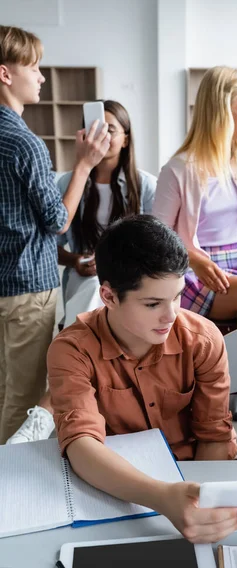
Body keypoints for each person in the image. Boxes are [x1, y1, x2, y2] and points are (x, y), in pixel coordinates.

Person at [47, 214, 237, 544]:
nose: (170, 316)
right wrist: (163, 497)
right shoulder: (71, 350)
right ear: (109, 297)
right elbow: (81, 445)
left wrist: (202, 503)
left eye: (177, 297)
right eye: (153, 303)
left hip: (196, 480)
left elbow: (214, 435)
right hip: (113, 487)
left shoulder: (203, 339)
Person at [153, 66, 237, 459]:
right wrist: (194, 260)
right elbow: (159, 233)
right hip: (197, 272)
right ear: (223, 107)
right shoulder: (179, 168)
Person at [6, 99, 157, 445]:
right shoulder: (67, 183)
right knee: (92, 288)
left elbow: (155, 249)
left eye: (111, 130)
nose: (102, 137)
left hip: (128, 286)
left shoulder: (145, 186)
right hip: (85, 280)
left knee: (96, 294)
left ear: (126, 139)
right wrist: (75, 260)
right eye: (95, 129)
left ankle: (45, 411)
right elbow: (49, 242)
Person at [0, 25, 110, 444]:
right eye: (34, 66)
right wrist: (84, 164)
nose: (42, 77)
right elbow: (58, 221)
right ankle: (11, 491)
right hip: (28, 288)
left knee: (2, 390)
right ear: (6, 74)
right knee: (25, 399)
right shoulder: (25, 144)